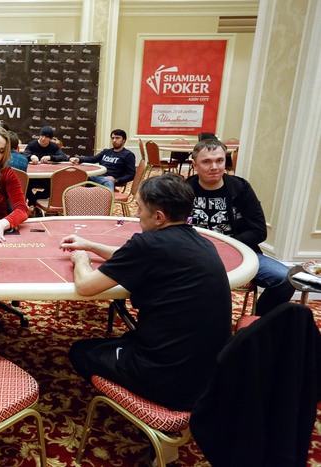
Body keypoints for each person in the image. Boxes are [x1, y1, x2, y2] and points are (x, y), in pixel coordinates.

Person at [62, 173, 231, 418]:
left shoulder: (148, 244)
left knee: (80, 351)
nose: (137, 214)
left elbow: (86, 286)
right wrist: (90, 245)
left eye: (140, 209)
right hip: (209, 376)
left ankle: (140, 404)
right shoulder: (201, 242)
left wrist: (81, 259)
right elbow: (131, 255)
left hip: (167, 380)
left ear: (159, 217)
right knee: (125, 338)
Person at [187, 138, 295, 316]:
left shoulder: (240, 188)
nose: (214, 167)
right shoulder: (184, 190)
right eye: (206, 162)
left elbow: (259, 231)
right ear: (195, 165)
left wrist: (228, 246)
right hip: (195, 255)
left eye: (219, 160)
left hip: (240, 252)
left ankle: (258, 322)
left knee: (285, 278)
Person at [69, 129, 135, 191]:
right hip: (96, 176)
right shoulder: (106, 151)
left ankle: (109, 198)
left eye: (117, 138)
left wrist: (116, 180)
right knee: (78, 177)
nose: (114, 140)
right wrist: (79, 159)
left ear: (124, 140)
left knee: (108, 182)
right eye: (112, 138)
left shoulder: (128, 155)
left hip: (108, 180)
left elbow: (132, 174)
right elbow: (93, 159)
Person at [23, 125, 68, 206]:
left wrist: (50, 157)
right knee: (25, 186)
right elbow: (24, 154)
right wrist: (31, 156)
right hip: (33, 177)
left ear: (50, 139)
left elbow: (64, 157)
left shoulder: (53, 146)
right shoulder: (32, 144)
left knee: (53, 187)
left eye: (46, 137)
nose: (43, 138)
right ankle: (33, 202)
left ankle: (35, 200)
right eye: (42, 135)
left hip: (47, 177)